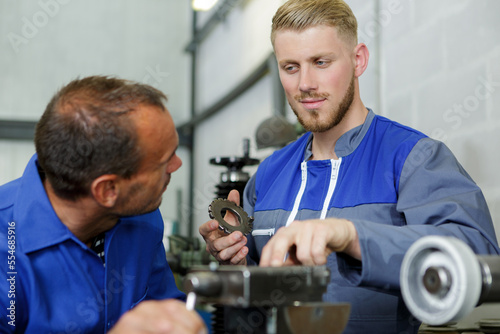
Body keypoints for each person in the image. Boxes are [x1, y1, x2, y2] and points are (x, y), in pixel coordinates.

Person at [199, 0, 500, 333]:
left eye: (321, 62)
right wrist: (237, 260)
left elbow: (478, 259)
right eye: (290, 67)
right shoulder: (270, 173)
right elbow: (259, 289)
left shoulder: (413, 158)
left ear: (358, 59)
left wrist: (352, 236)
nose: (305, 83)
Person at [0, 76, 206, 334]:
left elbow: (164, 308)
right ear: (108, 190)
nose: (177, 165)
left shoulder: (142, 217)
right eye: (165, 162)